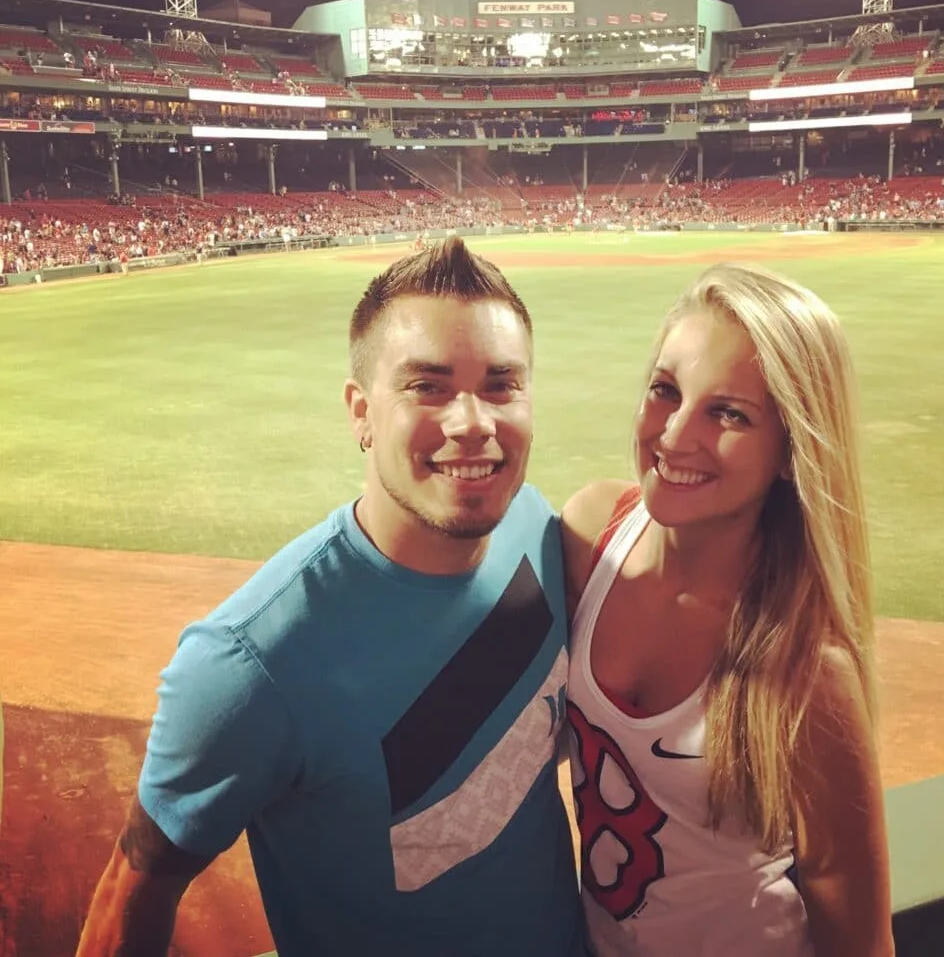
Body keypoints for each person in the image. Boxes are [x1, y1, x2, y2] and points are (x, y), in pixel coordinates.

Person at [75, 236, 584, 957]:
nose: (473, 421)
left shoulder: (533, 526)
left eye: (501, 383)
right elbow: (134, 892)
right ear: (361, 413)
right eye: (427, 386)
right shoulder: (251, 665)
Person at [561, 264, 893, 957]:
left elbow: (854, 923)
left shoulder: (805, 667)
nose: (675, 435)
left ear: (789, 451)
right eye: (665, 391)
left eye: (729, 412)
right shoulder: (589, 537)